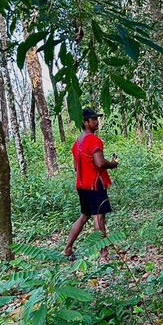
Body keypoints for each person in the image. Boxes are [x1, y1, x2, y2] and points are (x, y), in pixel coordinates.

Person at [63, 108, 119, 261]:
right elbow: (100, 163)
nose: (96, 122)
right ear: (85, 122)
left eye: (96, 118)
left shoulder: (77, 143)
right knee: (99, 218)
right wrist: (113, 164)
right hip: (95, 184)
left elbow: (76, 167)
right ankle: (104, 255)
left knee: (84, 216)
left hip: (82, 186)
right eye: (93, 119)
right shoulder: (94, 140)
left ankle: (67, 249)